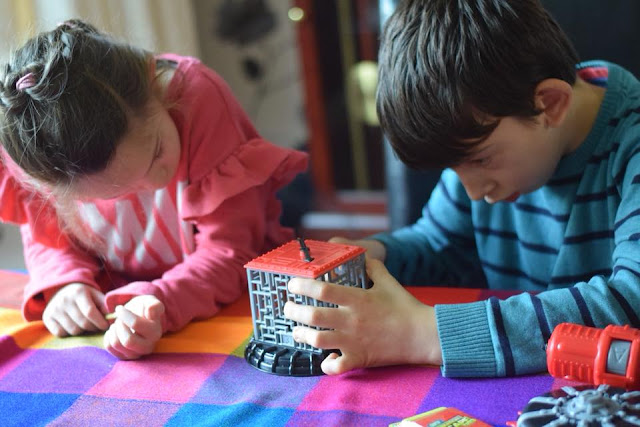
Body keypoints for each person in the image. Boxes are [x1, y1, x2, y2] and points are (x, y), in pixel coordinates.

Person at [283, 0, 640, 378]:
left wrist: (421, 334)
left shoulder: (630, 145)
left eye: (481, 160)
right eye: (454, 168)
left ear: (550, 104)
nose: (473, 192)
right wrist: (373, 258)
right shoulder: (482, 130)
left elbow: (630, 303)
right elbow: (442, 245)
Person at [0, 19, 307, 360]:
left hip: (225, 292)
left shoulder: (197, 96)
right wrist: (65, 285)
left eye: (157, 151)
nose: (156, 183)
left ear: (153, 87)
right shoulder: (36, 152)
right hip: (122, 303)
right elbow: (49, 241)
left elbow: (230, 251)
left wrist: (161, 300)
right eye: (114, 194)